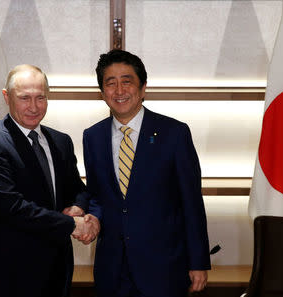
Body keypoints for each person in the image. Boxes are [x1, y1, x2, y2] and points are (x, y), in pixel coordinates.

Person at [81, 50, 211, 297]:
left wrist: (198, 262)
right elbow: (97, 195)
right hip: (112, 269)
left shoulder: (174, 133)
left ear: (143, 88)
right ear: (102, 92)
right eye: (111, 83)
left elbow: (191, 203)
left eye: (127, 81)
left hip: (163, 268)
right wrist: (89, 217)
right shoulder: (92, 136)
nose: (119, 90)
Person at [0, 64, 99, 297]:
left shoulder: (61, 141)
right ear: (6, 97)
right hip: (12, 272)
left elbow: (77, 188)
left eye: (40, 97)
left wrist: (78, 207)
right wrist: (71, 224)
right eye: (24, 98)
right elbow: (10, 208)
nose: (33, 107)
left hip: (57, 268)